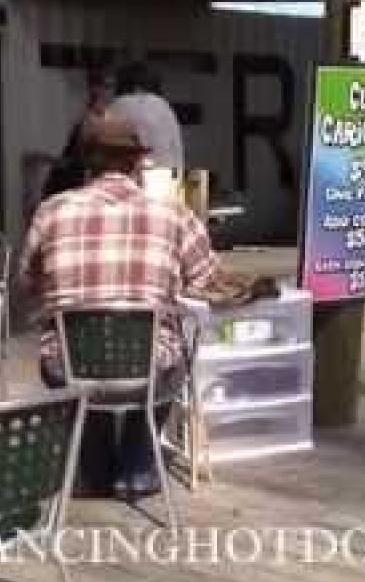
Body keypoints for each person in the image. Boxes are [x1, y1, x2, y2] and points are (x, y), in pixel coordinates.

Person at [19, 109, 220, 497]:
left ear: (87, 161)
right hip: (145, 366)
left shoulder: (51, 210)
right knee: (175, 350)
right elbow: (206, 279)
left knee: (77, 360)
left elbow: (26, 282)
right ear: (137, 163)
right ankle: (138, 467)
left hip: (69, 365)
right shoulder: (173, 214)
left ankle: (95, 470)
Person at [41, 68, 112, 199]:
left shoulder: (100, 118)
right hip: (78, 182)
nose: (109, 92)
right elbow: (83, 157)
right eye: (106, 87)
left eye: (109, 87)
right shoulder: (90, 120)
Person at [105, 61, 185, 173]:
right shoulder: (164, 107)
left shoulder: (123, 104)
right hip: (170, 179)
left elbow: (105, 143)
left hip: (140, 180)